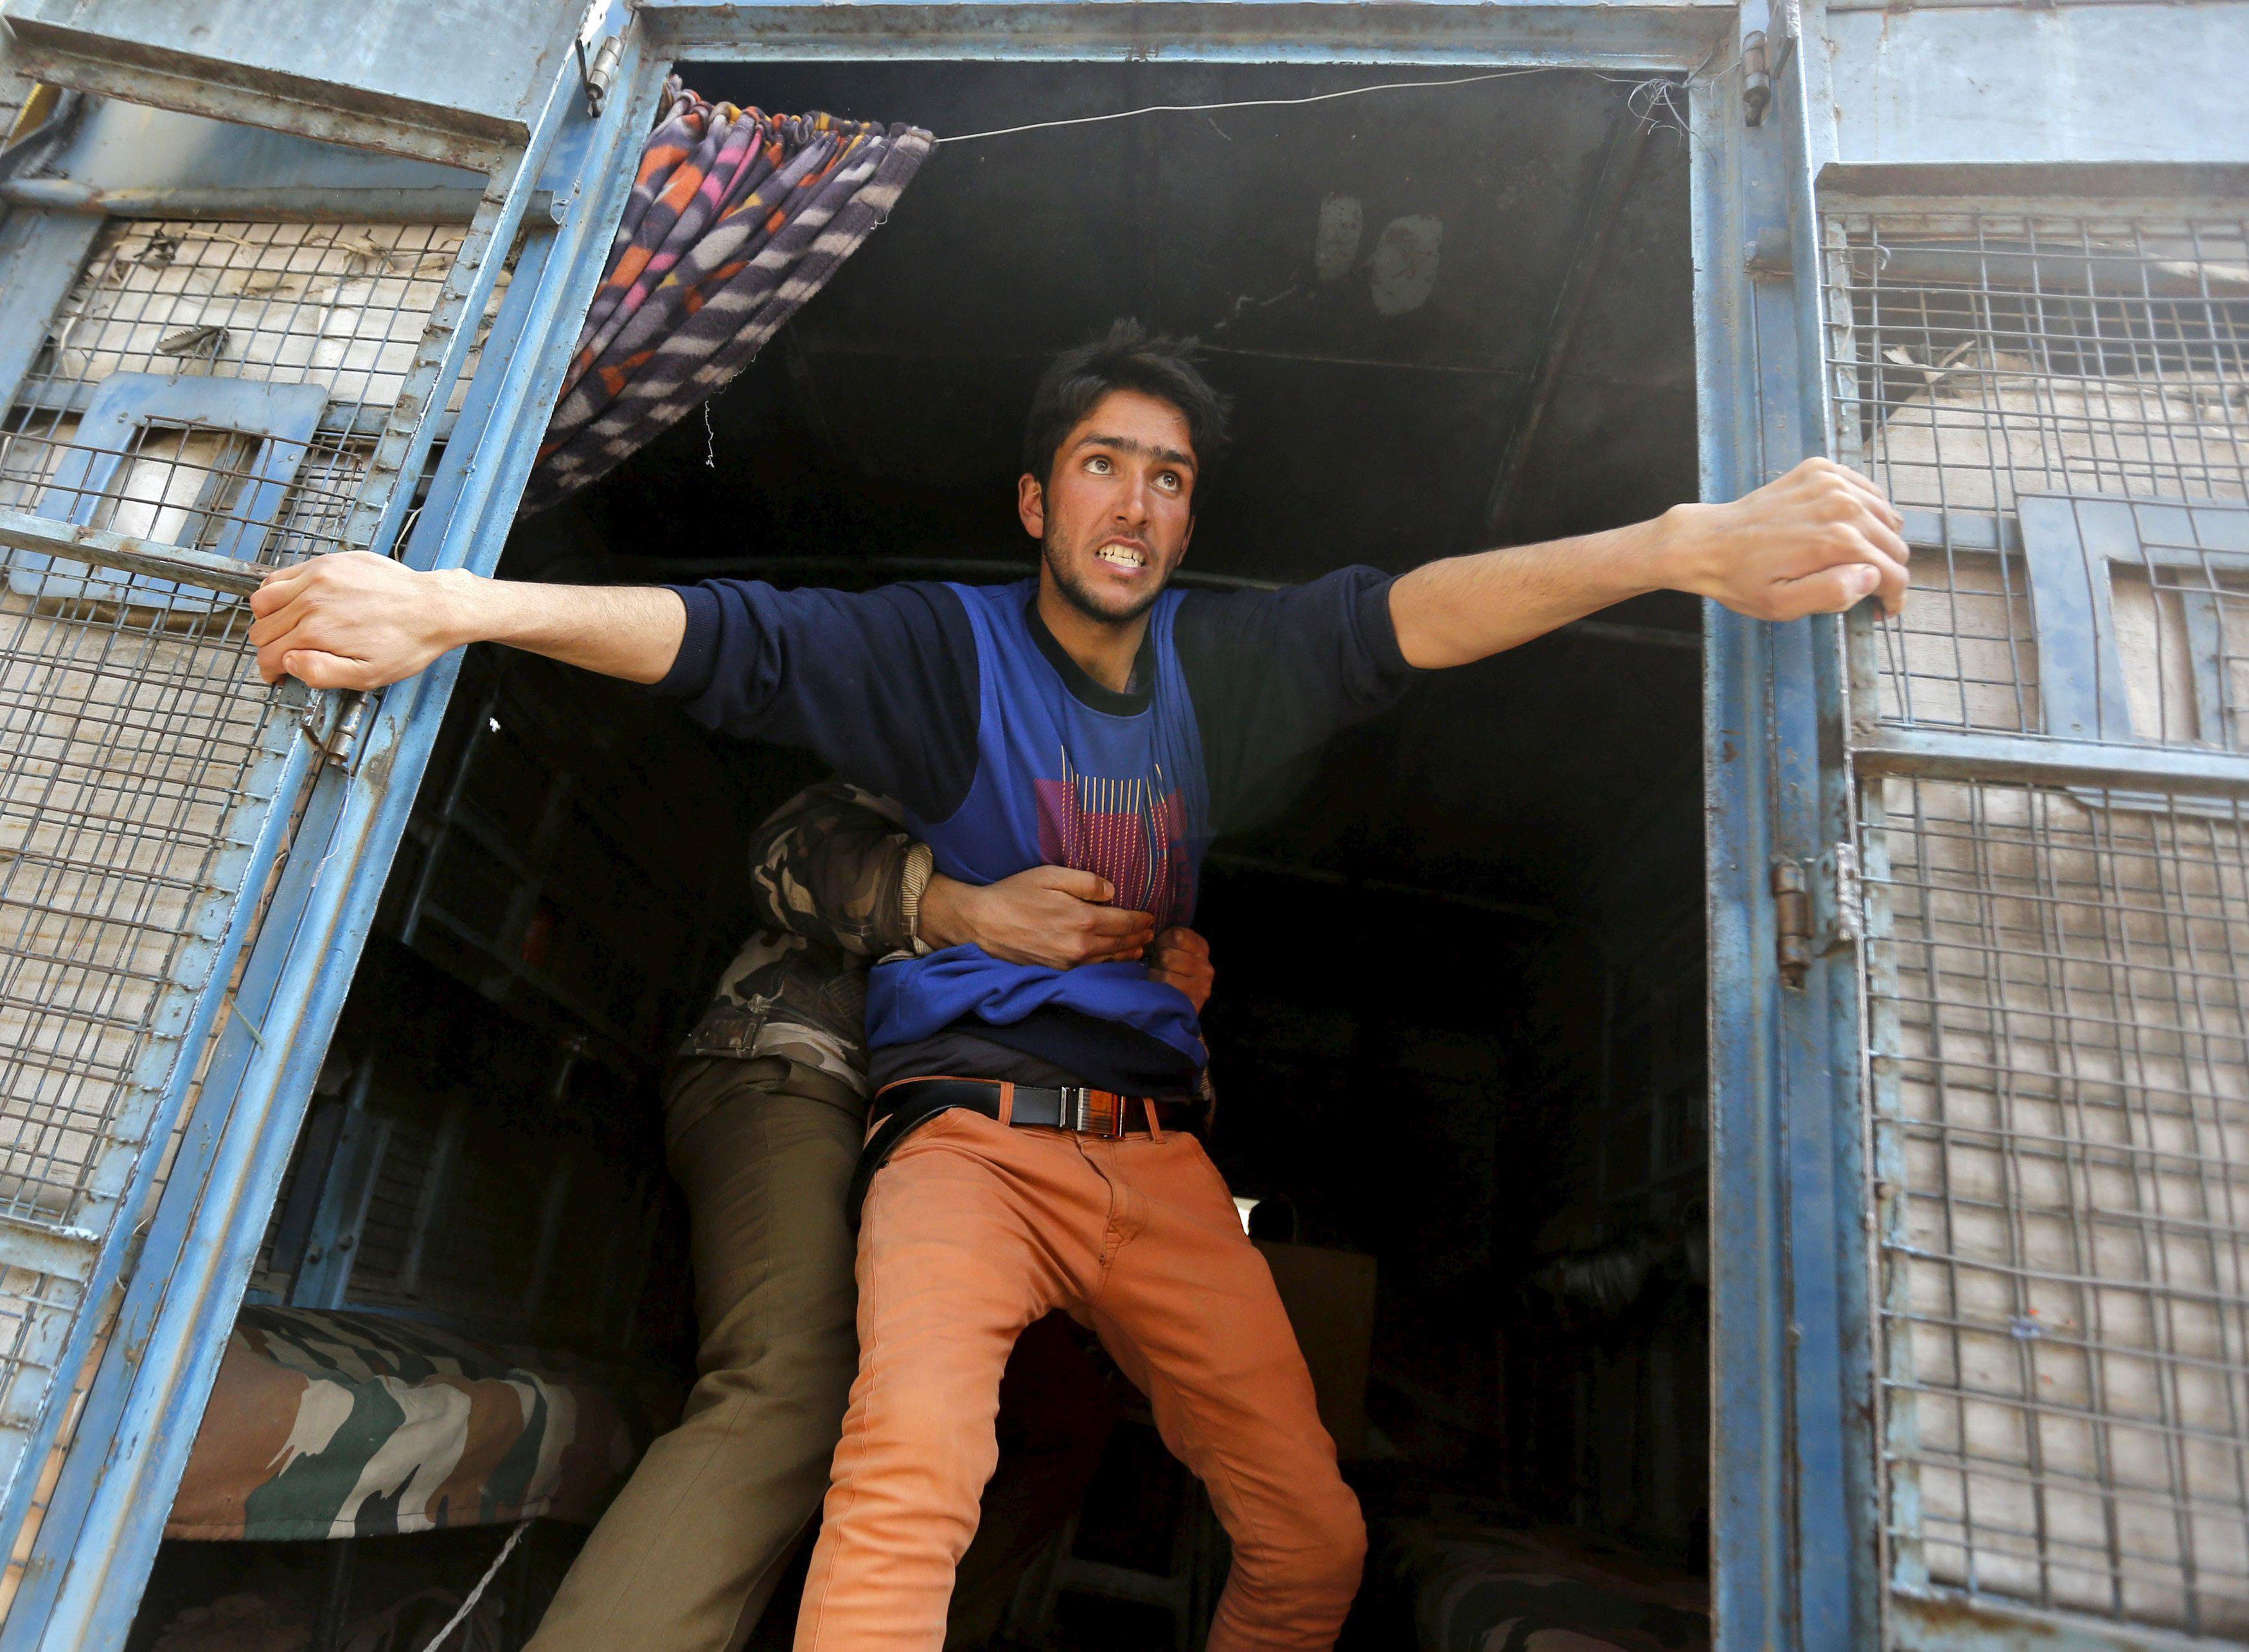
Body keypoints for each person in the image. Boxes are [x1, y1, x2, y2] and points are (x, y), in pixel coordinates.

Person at [248, 321, 1907, 1652]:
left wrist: (1678, 544)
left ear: (1188, 518)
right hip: (956, 1145)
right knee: (902, 1488)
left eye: (1167, 477)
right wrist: (456, 603)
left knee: (1308, 1535)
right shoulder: (939, 660)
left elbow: (1403, 621)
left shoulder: (1220, 674)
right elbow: (729, 636)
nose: (1134, 501)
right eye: (1100, 464)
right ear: (1037, 501)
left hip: (1164, 1166)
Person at [525, 781, 1207, 1651]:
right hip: (801, 1072)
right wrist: (956, 909)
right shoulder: (976, 740)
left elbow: (1134, 1124)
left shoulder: (1139, 857)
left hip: (943, 1161)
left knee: (1058, 1415)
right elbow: (789, 850)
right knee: (796, 1381)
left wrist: (1173, 1014)